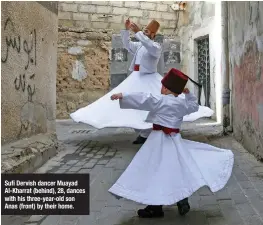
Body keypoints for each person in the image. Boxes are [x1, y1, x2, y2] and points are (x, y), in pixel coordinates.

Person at [108, 68, 234, 218]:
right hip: (175, 142)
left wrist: (123, 95)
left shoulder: (161, 100)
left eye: (162, 86)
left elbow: (145, 99)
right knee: (176, 170)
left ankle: (155, 207)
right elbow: (193, 106)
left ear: (167, 89)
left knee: (154, 171)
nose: (160, 88)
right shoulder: (182, 104)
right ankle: (181, 199)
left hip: (158, 142)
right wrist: (188, 94)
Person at [70, 18, 214, 144]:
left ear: (153, 35)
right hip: (136, 77)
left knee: (149, 103)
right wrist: (126, 31)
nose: (144, 32)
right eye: (144, 30)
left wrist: (138, 32)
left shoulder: (155, 47)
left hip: (149, 78)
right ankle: (141, 132)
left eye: (147, 31)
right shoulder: (139, 45)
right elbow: (127, 45)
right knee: (133, 104)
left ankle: (146, 133)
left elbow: (148, 45)